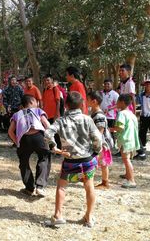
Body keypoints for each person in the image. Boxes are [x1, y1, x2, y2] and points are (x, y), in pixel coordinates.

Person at [44, 91, 102, 228]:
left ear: (66, 105)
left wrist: (55, 147)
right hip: (87, 159)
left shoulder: (61, 121)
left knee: (62, 186)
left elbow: (47, 133)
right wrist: (96, 151)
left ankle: (58, 215)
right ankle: (89, 217)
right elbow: (98, 138)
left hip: (70, 161)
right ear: (82, 104)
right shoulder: (88, 119)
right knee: (89, 187)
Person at [8, 95, 51, 197]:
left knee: (24, 162)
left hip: (24, 139)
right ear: (32, 102)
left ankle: (29, 188)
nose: (37, 103)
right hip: (39, 137)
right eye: (36, 101)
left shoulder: (16, 114)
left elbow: (10, 131)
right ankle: (40, 186)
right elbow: (47, 125)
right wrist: (50, 140)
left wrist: (17, 142)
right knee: (44, 158)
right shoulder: (38, 110)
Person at [111, 94, 140, 188]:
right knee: (127, 159)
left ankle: (131, 180)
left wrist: (109, 129)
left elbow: (119, 127)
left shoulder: (122, 114)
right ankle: (128, 175)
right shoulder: (131, 113)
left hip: (125, 140)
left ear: (122, 102)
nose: (116, 103)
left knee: (126, 159)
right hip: (131, 139)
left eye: (118, 101)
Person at [87, 91, 114, 189]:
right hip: (99, 142)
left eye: (88, 99)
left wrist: (96, 145)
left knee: (100, 162)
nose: (86, 101)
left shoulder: (99, 115)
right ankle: (102, 181)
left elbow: (100, 132)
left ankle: (104, 182)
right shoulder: (94, 113)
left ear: (94, 101)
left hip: (101, 143)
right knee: (101, 163)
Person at [42, 74, 62, 149]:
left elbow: (58, 102)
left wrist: (56, 114)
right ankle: (51, 148)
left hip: (54, 115)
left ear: (51, 81)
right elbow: (44, 103)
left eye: (48, 80)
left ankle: (59, 149)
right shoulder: (44, 90)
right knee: (48, 132)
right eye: (45, 80)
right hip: (47, 115)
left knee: (56, 133)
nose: (46, 82)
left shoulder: (55, 89)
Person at [135, 80, 150, 160]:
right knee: (142, 132)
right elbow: (137, 105)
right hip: (143, 116)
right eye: (146, 85)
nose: (147, 86)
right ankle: (143, 147)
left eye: (149, 85)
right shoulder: (141, 95)